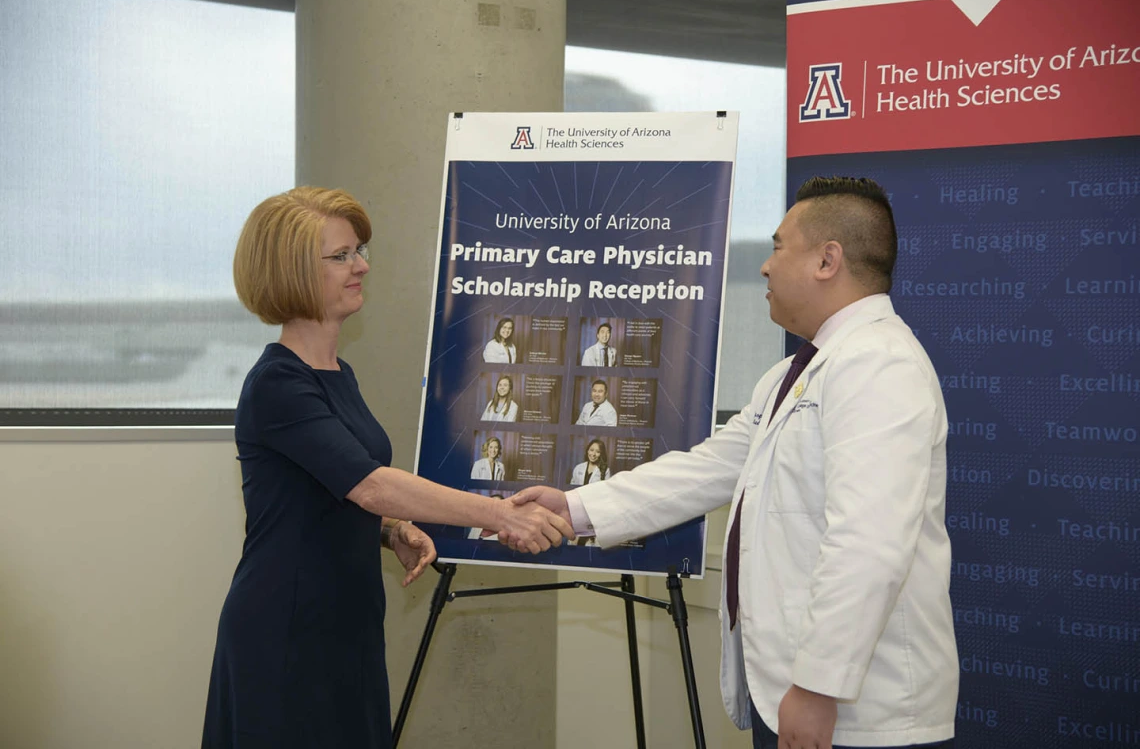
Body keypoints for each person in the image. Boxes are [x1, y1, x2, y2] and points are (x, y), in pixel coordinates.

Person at [505, 177, 958, 749]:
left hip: (857, 712)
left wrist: (820, 686)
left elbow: (870, 541)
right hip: (791, 692)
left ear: (827, 260)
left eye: (777, 247)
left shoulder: (880, 366)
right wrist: (575, 506)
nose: (765, 268)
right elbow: (708, 468)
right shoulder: (796, 372)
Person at [202, 187, 573, 749]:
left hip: (346, 625)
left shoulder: (337, 374)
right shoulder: (277, 383)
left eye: (360, 251)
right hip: (288, 629)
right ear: (292, 270)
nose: (362, 267)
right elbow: (370, 484)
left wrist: (389, 531)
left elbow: (324, 493)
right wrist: (500, 515)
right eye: (342, 256)